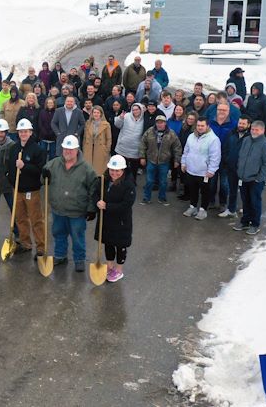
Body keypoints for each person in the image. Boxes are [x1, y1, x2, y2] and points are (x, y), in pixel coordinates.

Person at [42, 135, 98, 272]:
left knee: (77, 236)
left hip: (77, 211)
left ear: (77, 150)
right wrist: (43, 176)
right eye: (65, 149)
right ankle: (60, 255)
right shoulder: (53, 164)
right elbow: (44, 180)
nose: (67, 152)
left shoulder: (87, 169)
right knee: (58, 233)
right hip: (58, 209)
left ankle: (79, 259)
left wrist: (92, 209)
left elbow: (94, 190)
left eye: (71, 149)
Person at [6, 119, 47, 256]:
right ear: (18, 132)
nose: (23, 133)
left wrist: (25, 166)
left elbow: (40, 170)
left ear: (30, 132)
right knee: (20, 218)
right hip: (17, 190)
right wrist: (11, 180)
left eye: (26, 131)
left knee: (36, 219)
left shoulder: (37, 150)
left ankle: (40, 247)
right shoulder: (13, 148)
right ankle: (25, 243)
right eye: (21, 131)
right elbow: (10, 167)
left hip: (31, 191)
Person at [95, 155, 136, 283]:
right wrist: (97, 202)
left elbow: (126, 204)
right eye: (112, 169)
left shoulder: (128, 185)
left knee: (120, 245)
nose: (114, 173)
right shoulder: (103, 180)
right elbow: (96, 193)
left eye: (117, 170)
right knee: (108, 243)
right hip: (107, 220)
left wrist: (107, 206)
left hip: (121, 222)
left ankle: (118, 270)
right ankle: (109, 265)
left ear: (123, 170)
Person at [235, 120, 266, 235]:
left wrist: (259, 178)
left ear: (262, 130)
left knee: (254, 202)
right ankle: (245, 222)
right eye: (252, 129)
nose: (254, 131)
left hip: (255, 180)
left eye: (257, 130)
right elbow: (241, 156)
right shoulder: (246, 140)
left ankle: (255, 224)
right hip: (243, 177)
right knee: (245, 201)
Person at [181, 118, 221, 220]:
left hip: (204, 172)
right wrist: (183, 163)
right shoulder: (191, 136)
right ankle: (192, 207)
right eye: (198, 125)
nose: (200, 127)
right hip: (191, 169)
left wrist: (211, 170)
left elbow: (215, 156)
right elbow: (186, 151)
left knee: (205, 192)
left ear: (207, 126)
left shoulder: (213, 139)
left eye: (202, 126)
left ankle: (203, 210)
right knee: (193, 189)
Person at [139, 115, 182, 204]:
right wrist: (142, 157)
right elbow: (142, 144)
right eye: (158, 122)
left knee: (163, 182)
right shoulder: (149, 131)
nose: (159, 124)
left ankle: (162, 198)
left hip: (164, 161)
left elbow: (177, 147)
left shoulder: (171, 133)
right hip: (151, 160)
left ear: (165, 123)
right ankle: (146, 198)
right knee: (149, 181)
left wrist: (177, 160)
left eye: (162, 122)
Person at [218, 115, 251, 218]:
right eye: (240, 123)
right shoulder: (231, 133)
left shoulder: (250, 137)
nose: (241, 125)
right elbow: (225, 148)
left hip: (244, 170)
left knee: (245, 192)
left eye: (243, 123)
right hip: (231, 168)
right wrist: (226, 160)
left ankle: (247, 210)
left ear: (248, 125)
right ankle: (231, 210)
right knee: (232, 190)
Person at [209, 103, 236, 212]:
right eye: (220, 109)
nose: (221, 112)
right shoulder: (210, 122)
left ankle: (223, 203)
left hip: (226, 159)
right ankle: (211, 201)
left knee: (224, 183)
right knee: (212, 182)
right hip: (212, 158)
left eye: (224, 110)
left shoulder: (233, 124)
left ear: (228, 111)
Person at [114, 103, 145, 174]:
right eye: (133, 110)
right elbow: (117, 125)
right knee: (121, 170)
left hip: (135, 151)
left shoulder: (144, 119)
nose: (135, 111)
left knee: (133, 171)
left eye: (137, 110)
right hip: (122, 148)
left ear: (140, 110)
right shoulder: (126, 116)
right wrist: (120, 118)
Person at [81, 105, 111, 175]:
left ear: (101, 114)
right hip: (89, 148)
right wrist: (84, 148)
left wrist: (107, 150)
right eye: (94, 112)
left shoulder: (106, 125)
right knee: (88, 169)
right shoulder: (88, 123)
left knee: (99, 171)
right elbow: (85, 137)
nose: (96, 114)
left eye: (98, 113)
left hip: (100, 149)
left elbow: (109, 139)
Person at [175, 111, 198, 200]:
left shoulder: (195, 130)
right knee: (183, 176)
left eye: (192, 119)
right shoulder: (184, 128)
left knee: (189, 178)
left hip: (191, 155)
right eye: (189, 118)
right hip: (182, 153)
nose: (190, 120)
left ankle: (190, 195)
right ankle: (185, 193)